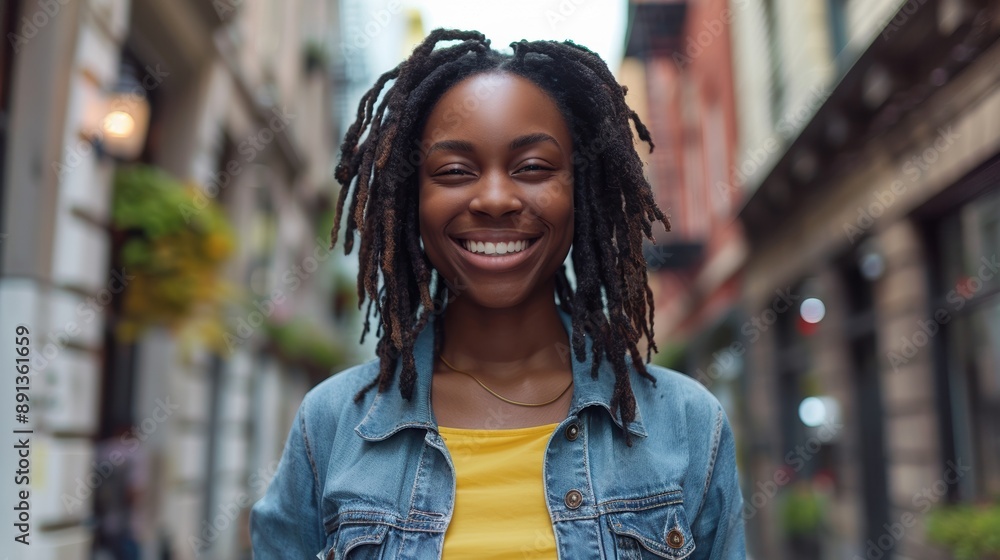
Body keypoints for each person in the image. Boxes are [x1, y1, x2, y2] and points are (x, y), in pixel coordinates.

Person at [250, 28, 745, 559]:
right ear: (411, 199)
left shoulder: (687, 424)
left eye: (532, 167)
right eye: (455, 171)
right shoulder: (329, 427)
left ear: (580, 192)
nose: (494, 199)